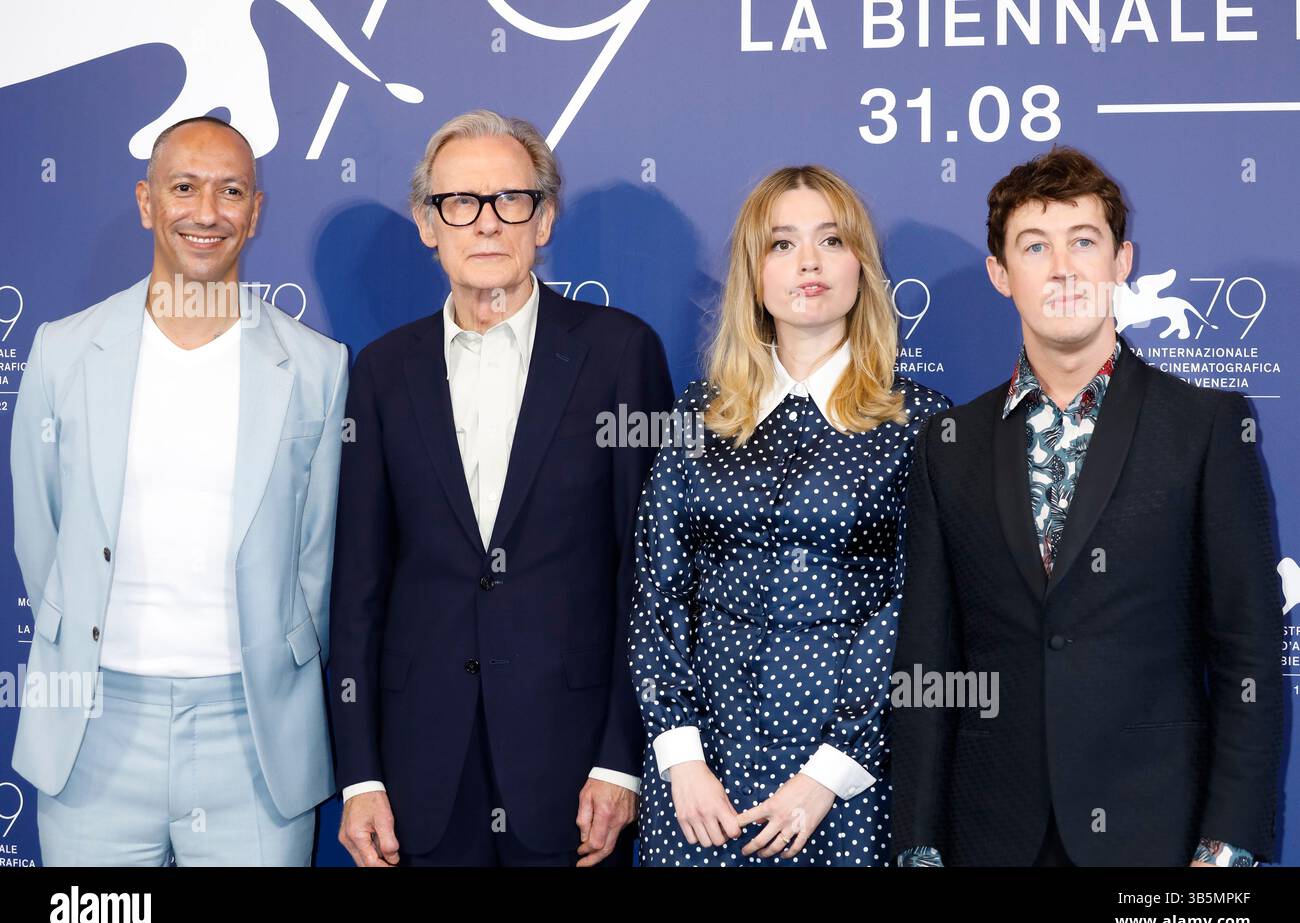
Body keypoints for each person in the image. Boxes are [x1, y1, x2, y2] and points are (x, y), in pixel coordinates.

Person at [891, 145, 1284, 867]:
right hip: (989, 835)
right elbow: (928, 656)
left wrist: (1227, 845)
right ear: (1000, 274)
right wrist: (918, 844)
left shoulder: (1205, 427)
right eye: (1035, 246)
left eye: (1084, 242)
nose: (1064, 268)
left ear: (1121, 261)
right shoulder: (948, 443)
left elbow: (1247, 654)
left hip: (1158, 836)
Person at [329, 109, 674, 867]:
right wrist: (358, 775)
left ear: (543, 218)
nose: (485, 224)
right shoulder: (383, 373)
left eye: (510, 200)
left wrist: (621, 759)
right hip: (422, 774)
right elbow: (358, 586)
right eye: (460, 203)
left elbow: (649, 577)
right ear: (429, 224)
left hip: (576, 771)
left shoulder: (620, 355)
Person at [10, 116, 348, 866]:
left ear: (255, 211)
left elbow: (317, 553)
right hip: (92, 731)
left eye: (231, 191)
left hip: (255, 738)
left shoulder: (317, 368)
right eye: (184, 187)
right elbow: (40, 533)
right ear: (146, 201)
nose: (206, 212)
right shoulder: (64, 352)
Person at [628, 165, 949, 866]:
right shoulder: (698, 414)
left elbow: (918, 605)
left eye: (831, 241)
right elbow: (658, 588)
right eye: (781, 244)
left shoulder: (921, 423)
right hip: (700, 784)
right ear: (754, 274)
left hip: (849, 782)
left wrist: (828, 774)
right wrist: (680, 757)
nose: (808, 262)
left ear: (861, 265)